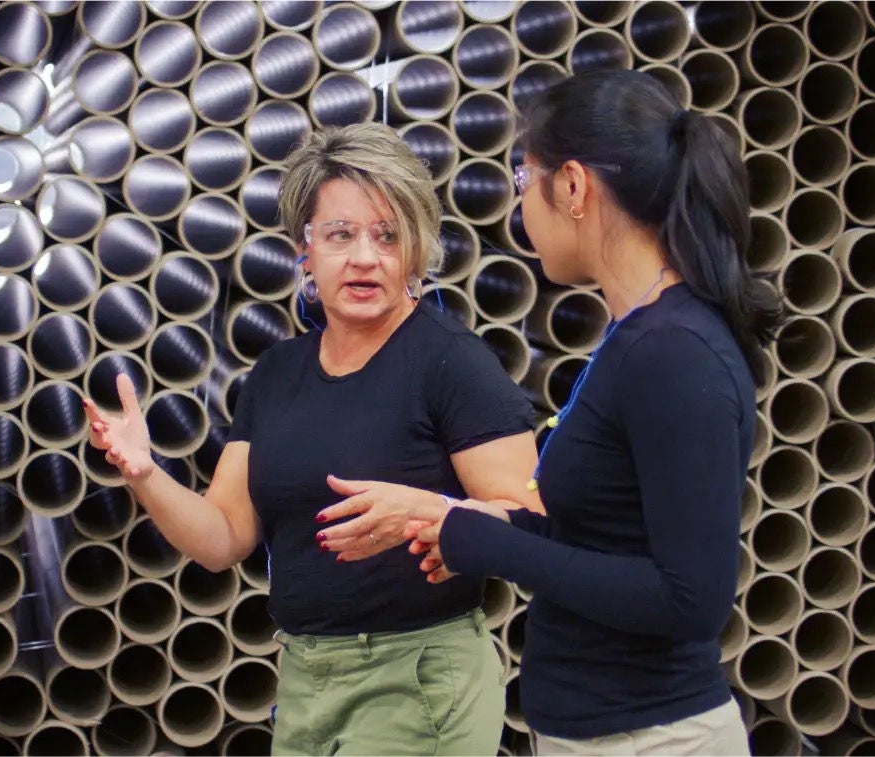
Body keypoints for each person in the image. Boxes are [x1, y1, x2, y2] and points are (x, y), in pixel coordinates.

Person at [339, 70, 780, 755]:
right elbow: (610, 539)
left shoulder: (673, 353)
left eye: (524, 183)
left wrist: (487, 543)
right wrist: (479, 518)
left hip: (651, 740)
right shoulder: (643, 336)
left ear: (572, 187)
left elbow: (690, 598)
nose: (520, 212)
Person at [83, 122, 542, 756]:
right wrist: (144, 473)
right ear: (306, 250)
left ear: (415, 249)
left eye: (387, 236)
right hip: (305, 679)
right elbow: (223, 539)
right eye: (340, 235)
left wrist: (441, 514)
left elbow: (535, 524)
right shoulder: (276, 375)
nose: (364, 257)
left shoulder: (451, 363)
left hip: (420, 679)